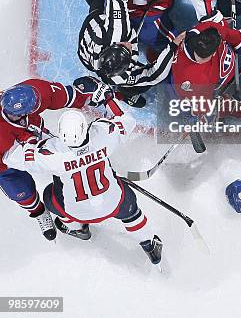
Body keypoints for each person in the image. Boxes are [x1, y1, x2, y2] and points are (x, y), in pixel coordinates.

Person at [4, 105, 162, 265]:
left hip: (76, 212)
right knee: (131, 211)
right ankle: (149, 245)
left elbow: (10, 157)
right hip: (114, 204)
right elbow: (128, 120)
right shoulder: (105, 135)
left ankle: (78, 229)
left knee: (49, 196)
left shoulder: (50, 153)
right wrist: (108, 99)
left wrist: (29, 142)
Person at [0, 77, 99, 240]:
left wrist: (88, 94)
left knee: (67, 162)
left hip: (33, 138)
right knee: (21, 192)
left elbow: (64, 95)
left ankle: (87, 180)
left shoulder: (35, 92)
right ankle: (39, 213)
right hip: (4, 162)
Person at [77, 0, 176, 107]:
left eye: (122, 46)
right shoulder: (125, 76)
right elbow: (154, 74)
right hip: (89, 54)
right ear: (128, 66)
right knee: (142, 83)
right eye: (128, 51)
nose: (129, 45)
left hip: (94, 27)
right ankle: (124, 93)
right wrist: (173, 47)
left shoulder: (117, 29)